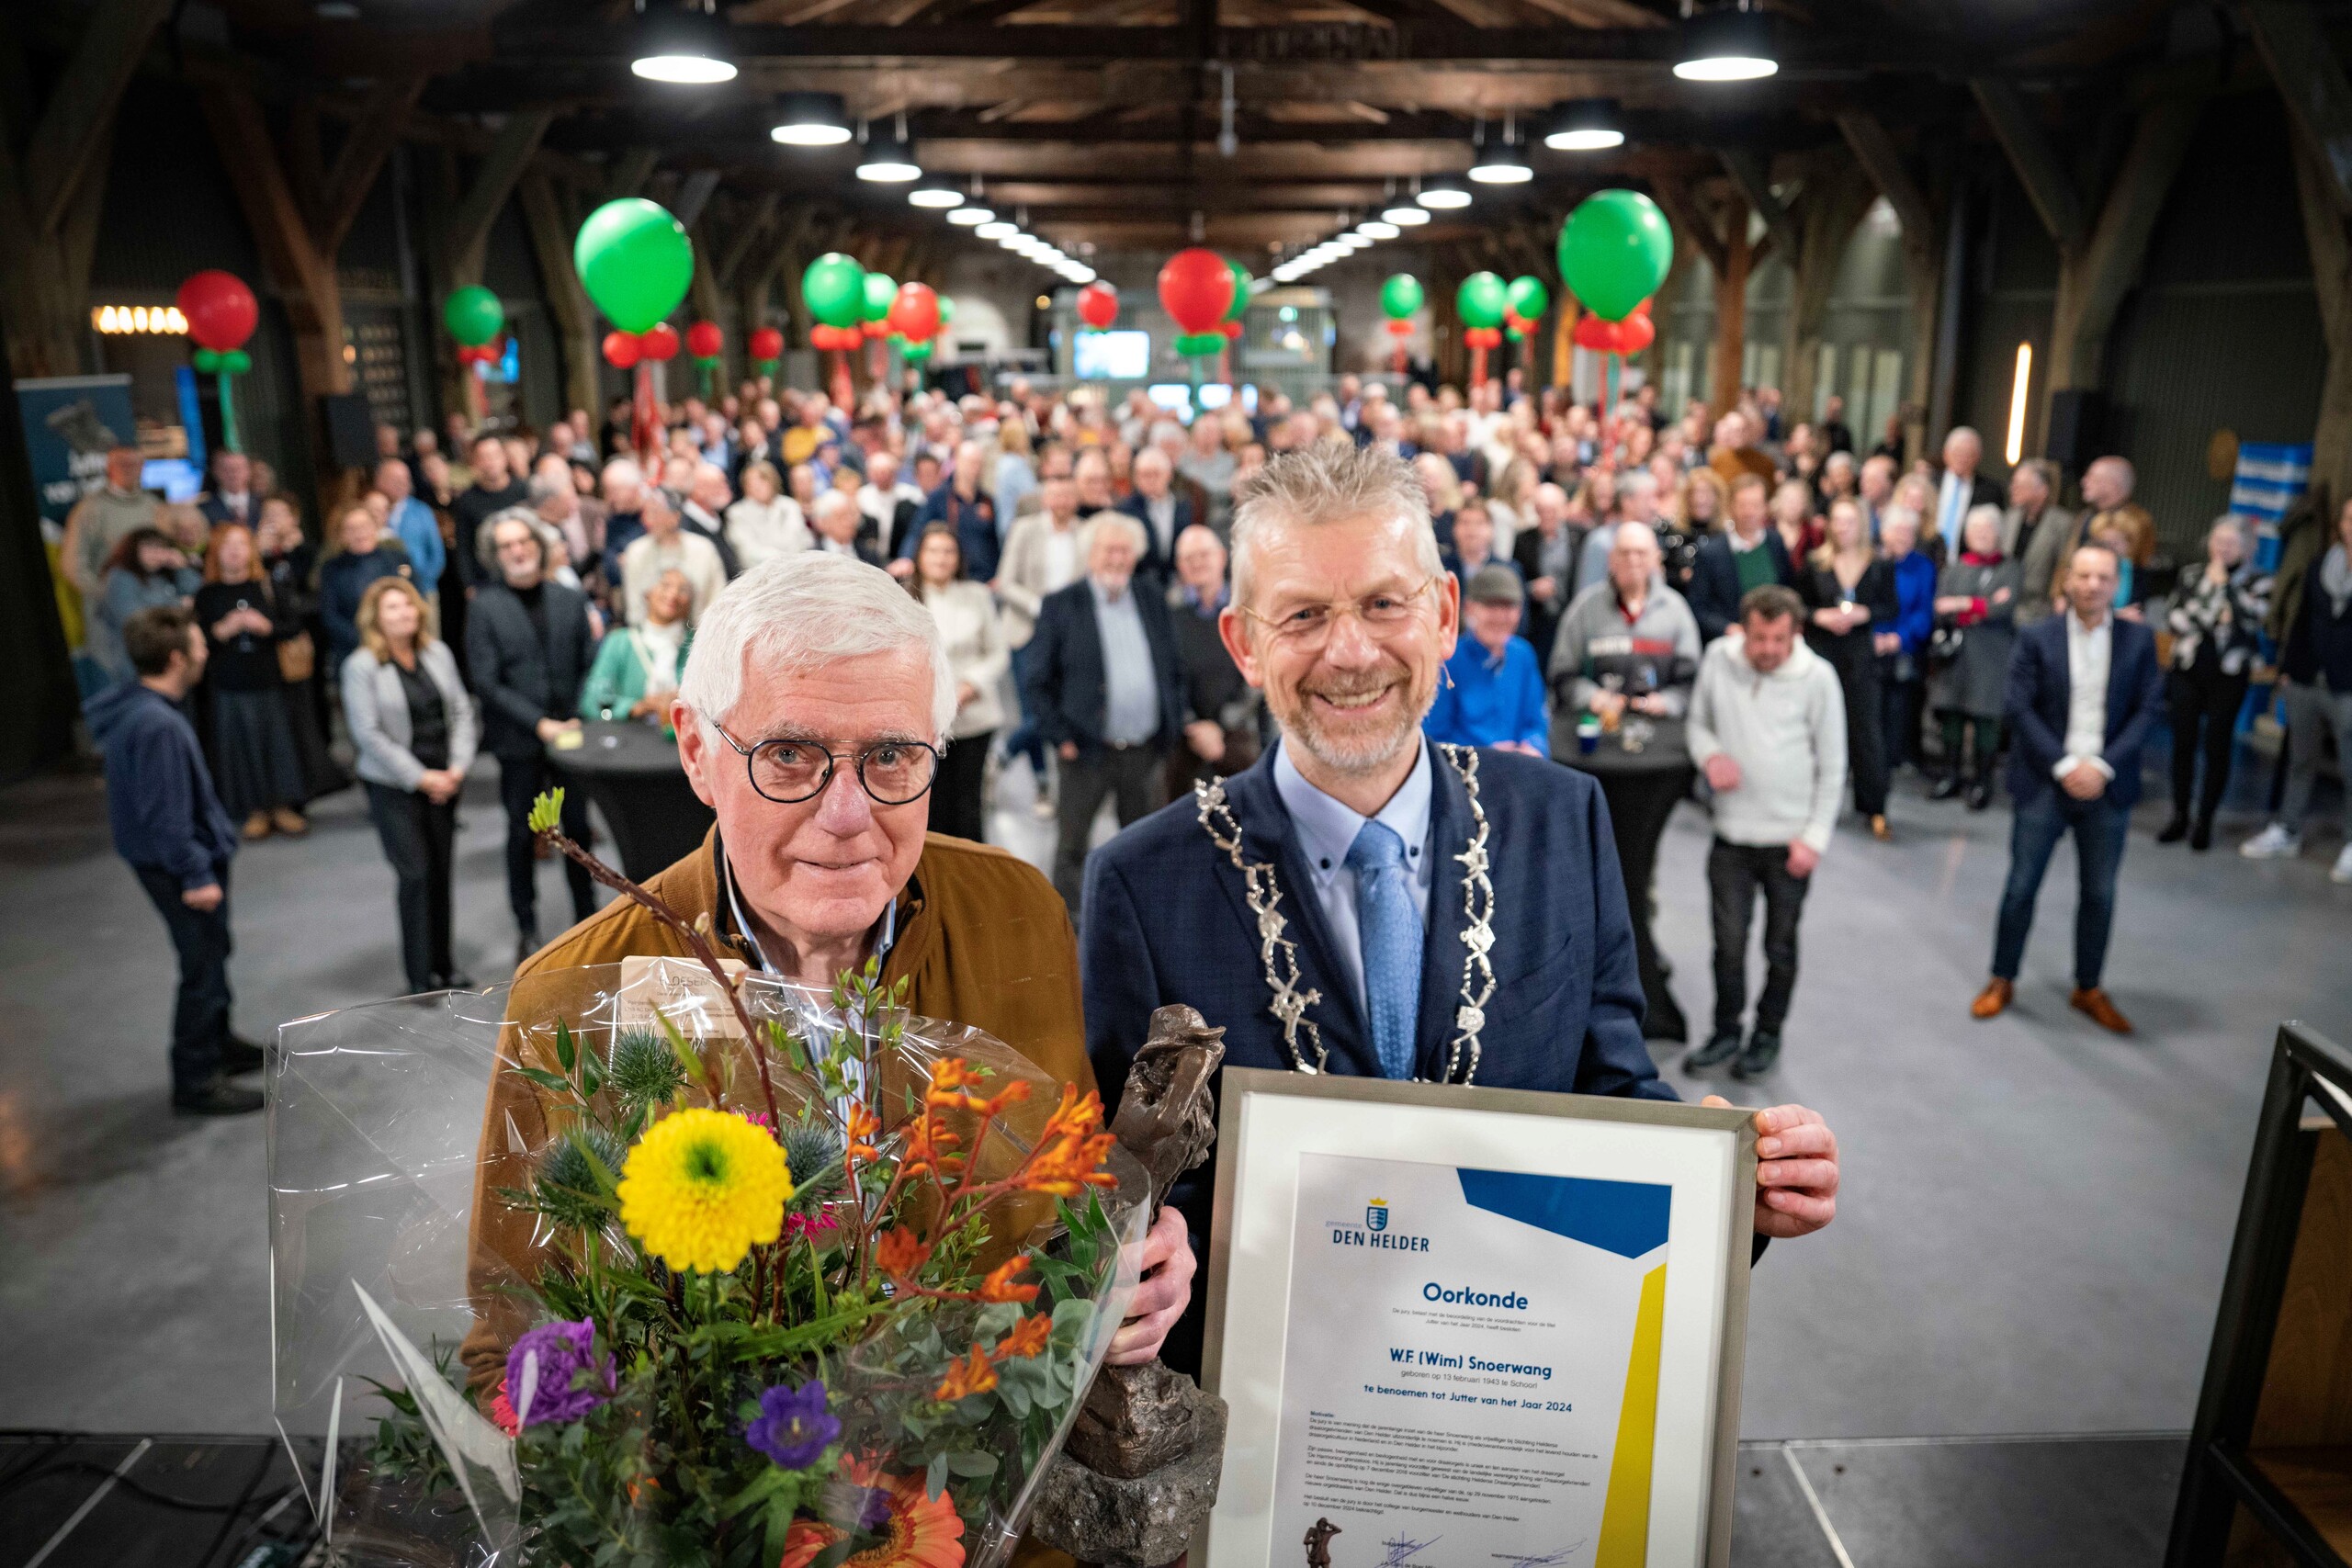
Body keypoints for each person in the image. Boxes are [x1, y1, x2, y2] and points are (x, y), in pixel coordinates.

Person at [1078, 443, 1841, 1380]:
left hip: (1517, 1401)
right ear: (1243, 643)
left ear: (1442, 614)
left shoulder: (1562, 820)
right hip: (1265, 1416)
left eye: (1383, 603)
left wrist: (1732, 1181)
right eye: (1305, 615)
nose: (1350, 651)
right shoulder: (1144, 881)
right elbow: (1124, 1187)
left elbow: (1608, 1098)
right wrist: (1145, 1266)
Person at [458, 548, 1194, 1393]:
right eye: (789, 755)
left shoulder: (1018, 915)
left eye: (891, 756)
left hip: (999, 1501)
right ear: (696, 750)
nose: (847, 815)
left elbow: (1073, 1201)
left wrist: (1140, 1269)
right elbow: (508, 1352)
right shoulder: (575, 996)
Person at [1971, 543, 2165, 1033]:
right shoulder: (2038, 636)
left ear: (2116, 583)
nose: (2093, 585)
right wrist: (2063, 765)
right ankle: (2002, 978)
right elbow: (2018, 706)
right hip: (2044, 782)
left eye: (2103, 577)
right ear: (2068, 581)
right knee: (2020, 889)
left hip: (2107, 784)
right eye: (2084, 576)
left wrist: (2100, 766)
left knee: (2099, 894)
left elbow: (2147, 710)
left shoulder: (2139, 641)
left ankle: (2088, 987)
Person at [84, 605, 264, 1115]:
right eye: (199, 645)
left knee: (212, 951)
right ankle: (197, 1078)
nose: (207, 651)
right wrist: (196, 873)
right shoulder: (158, 724)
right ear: (177, 657)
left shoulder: (139, 708)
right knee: (201, 964)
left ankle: (218, 1043)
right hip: (179, 867)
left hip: (172, 860)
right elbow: (167, 815)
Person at [1683, 585, 1848, 1077]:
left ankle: (1768, 1033)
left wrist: (1814, 838)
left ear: (1795, 633)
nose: (1769, 650)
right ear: (1743, 631)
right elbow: (1697, 724)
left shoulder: (1818, 678)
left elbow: (1834, 766)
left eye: (1779, 639)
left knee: (1780, 947)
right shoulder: (1718, 659)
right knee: (1727, 945)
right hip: (1732, 835)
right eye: (1760, 638)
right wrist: (1710, 755)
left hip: (1790, 843)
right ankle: (1726, 1030)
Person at [1549, 524, 1702, 1040]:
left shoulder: (1675, 612)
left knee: (1633, 873)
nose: (1633, 562)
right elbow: (1563, 675)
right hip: (1595, 763)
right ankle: (1619, 971)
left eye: (1642, 553)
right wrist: (1595, 697)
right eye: (1624, 553)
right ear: (1611, 559)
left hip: (1658, 765)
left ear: (1655, 560)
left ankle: (1636, 982)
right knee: (1610, 873)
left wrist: (1668, 703)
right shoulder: (1586, 609)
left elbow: (1690, 680)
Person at [1024, 513, 1184, 913]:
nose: (1117, 558)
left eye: (1124, 550)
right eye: (1108, 549)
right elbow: (1036, 681)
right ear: (1089, 554)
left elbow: (1172, 667)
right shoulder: (1062, 604)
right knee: (1073, 847)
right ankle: (1070, 928)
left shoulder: (1151, 597)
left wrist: (1173, 722)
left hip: (1144, 750)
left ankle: (1141, 917)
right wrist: (1060, 738)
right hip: (1084, 752)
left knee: (1144, 843)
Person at [468, 511, 597, 957]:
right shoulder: (484, 607)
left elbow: (589, 661)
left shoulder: (568, 597)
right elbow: (486, 681)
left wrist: (581, 713)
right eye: (507, 546)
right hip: (519, 740)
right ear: (495, 555)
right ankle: (526, 925)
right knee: (522, 834)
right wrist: (538, 723)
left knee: (578, 831)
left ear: (538, 545)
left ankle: (591, 922)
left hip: (573, 740)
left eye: (523, 541)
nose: (518, 550)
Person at [345, 575, 478, 995]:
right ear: (375, 619)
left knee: (441, 873)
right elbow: (368, 734)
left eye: (407, 605)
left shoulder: (436, 652)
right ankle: (419, 976)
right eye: (391, 608)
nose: (403, 613)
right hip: (394, 785)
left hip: (445, 778)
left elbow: (460, 710)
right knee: (416, 874)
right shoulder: (361, 666)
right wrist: (420, 778)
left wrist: (457, 767)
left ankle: (445, 964)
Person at [2241, 495, 2352, 880]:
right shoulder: (2323, 564)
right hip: (2306, 677)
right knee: (2298, 759)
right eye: (2349, 519)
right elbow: (2302, 619)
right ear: (2341, 523)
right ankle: (2287, 829)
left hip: (2347, 686)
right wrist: (2288, 669)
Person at [195, 524, 308, 840]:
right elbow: (198, 639)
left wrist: (265, 627)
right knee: (241, 750)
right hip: (230, 683)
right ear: (216, 553)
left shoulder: (266, 586)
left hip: (270, 679)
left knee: (279, 746)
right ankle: (256, 810)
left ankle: (283, 806)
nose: (234, 551)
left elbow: (294, 624)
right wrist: (222, 630)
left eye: (241, 544)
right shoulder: (207, 594)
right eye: (227, 545)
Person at [2160, 518, 2265, 850]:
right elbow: (2174, 618)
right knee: (2183, 743)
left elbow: (2252, 622)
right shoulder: (2191, 574)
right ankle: (2179, 814)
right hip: (2188, 668)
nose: (2222, 549)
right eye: (2218, 541)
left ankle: (2205, 819)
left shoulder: (2259, 581)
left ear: (2247, 549)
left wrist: (2224, 589)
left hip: (2229, 674)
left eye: (2231, 544)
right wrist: (2216, 613)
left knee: (2217, 746)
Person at [1795, 498, 1896, 839]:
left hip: (1860, 656)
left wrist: (1865, 614)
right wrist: (1818, 616)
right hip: (1823, 651)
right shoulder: (1815, 563)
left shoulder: (1879, 564)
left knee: (1865, 729)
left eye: (1849, 521)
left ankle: (1874, 806)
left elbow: (1889, 606)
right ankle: (1805, 801)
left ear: (1862, 525)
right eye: (1836, 521)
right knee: (1813, 727)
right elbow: (1798, 604)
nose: (1842, 528)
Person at [910, 525, 1008, 842]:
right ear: (920, 556)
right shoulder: (904, 596)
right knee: (931, 807)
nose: (941, 558)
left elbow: (998, 652)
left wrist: (968, 687)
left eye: (948, 551)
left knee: (969, 808)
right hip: (923, 720)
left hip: (973, 717)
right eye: (933, 551)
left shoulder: (977, 595)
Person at [1928, 505, 2020, 810]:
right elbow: (1941, 606)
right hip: (1956, 653)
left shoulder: (2009, 568)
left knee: (1986, 718)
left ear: (1998, 534)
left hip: (1992, 654)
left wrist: (1963, 603)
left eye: (1987, 530)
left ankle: (1983, 781)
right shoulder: (1955, 569)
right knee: (1951, 713)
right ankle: (1951, 775)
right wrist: (1981, 605)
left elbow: (2003, 608)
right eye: (1975, 530)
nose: (1981, 536)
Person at [1163, 524, 1256, 795]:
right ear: (1179, 565)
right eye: (1188, 558)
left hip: (1238, 732)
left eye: (1204, 555)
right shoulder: (1168, 613)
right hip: (1184, 738)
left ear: (1222, 558)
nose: (1197, 563)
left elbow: (1258, 671)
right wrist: (1193, 725)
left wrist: (1222, 725)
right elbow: (1165, 675)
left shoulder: (1246, 610)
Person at [1425, 566, 1547, 754]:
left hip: (1519, 769)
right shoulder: (1448, 660)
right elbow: (1434, 736)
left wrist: (1532, 746)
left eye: (1508, 607)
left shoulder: (1523, 655)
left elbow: (1537, 723)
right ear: (1468, 608)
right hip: (1466, 773)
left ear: (1520, 611)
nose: (1499, 617)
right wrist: (1485, 754)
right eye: (1490, 606)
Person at [580, 568, 695, 722]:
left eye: (683, 590)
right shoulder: (621, 641)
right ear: (648, 593)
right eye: (665, 586)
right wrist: (636, 707)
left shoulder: (697, 646)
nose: (673, 594)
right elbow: (591, 702)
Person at [1689, 472, 1792, 642]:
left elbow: (1788, 591)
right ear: (1731, 507)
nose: (1749, 512)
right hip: (1732, 642)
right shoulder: (1711, 552)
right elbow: (1698, 607)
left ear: (1766, 508)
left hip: (1774, 639)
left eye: (1755, 505)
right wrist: (1727, 628)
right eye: (1743, 505)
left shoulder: (1775, 542)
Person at [90, 527, 198, 686]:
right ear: (133, 550)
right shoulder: (120, 577)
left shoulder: (162, 576)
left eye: (161, 548)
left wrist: (181, 566)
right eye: (149, 547)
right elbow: (133, 620)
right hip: (132, 664)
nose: (156, 553)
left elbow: (197, 590)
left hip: (167, 660)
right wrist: (178, 606)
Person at [319, 501, 413, 674]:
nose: (359, 533)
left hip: (402, 648)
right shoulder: (332, 569)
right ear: (341, 534)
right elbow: (330, 616)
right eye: (351, 529)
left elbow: (415, 599)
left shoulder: (398, 559)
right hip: (356, 651)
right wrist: (369, 641)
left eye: (364, 525)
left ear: (375, 526)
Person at [1877, 507, 1938, 775]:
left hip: (1905, 647)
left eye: (1908, 532)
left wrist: (1898, 638)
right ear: (1884, 532)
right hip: (1871, 642)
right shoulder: (1872, 560)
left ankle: (1891, 762)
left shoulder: (1923, 567)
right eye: (1897, 530)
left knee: (1899, 708)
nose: (1902, 537)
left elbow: (1925, 612)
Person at [60, 446, 159, 604]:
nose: (129, 469)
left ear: (142, 467)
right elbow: (72, 564)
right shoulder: (90, 508)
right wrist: (104, 594)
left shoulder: (153, 505)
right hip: (109, 610)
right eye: (122, 464)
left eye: (135, 464)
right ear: (110, 468)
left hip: (151, 602)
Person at [618, 487, 727, 626]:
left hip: (697, 632)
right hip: (650, 637)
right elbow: (634, 610)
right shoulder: (637, 552)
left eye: (655, 512)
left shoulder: (703, 549)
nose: (647, 520)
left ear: (675, 517)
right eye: (645, 513)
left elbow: (718, 598)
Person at [1511, 481, 1581, 663]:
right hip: (1539, 623)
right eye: (1541, 510)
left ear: (1563, 509)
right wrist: (1531, 589)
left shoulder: (1581, 537)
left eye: (1552, 510)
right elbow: (1515, 582)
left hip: (1572, 617)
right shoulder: (1523, 540)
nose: (1547, 515)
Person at [2002, 457, 2075, 628]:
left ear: (2042, 491)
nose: (2013, 489)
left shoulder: (2062, 523)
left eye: (2020, 485)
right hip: (2006, 604)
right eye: (2013, 484)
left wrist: (2061, 597)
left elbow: (2064, 566)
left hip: (2040, 609)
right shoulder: (2010, 517)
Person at [914, 440, 1001, 581]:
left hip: (985, 579)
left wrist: (998, 574)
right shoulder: (939, 497)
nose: (975, 468)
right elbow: (918, 531)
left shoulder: (987, 500)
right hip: (952, 578)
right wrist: (907, 558)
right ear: (957, 462)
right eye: (970, 462)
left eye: (978, 463)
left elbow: (994, 542)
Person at [375, 457, 447, 600]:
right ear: (379, 481)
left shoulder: (422, 511)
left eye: (405, 478)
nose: (402, 483)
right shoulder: (373, 511)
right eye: (395, 478)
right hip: (384, 595)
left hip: (422, 591)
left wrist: (423, 582)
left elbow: (437, 554)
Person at [1119, 446, 1195, 575]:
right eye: (1145, 475)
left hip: (1178, 577)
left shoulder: (1184, 505)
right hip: (1141, 578)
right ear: (1136, 478)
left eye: (1156, 473)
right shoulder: (1125, 510)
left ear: (1169, 475)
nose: (1151, 480)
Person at [1929, 426, 2002, 548]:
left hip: (1968, 562)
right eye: (1957, 452)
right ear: (1945, 454)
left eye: (1968, 454)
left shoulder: (1990, 491)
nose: (1962, 458)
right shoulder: (1930, 482)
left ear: (1978, 457)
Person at [197, 449, 258, 529]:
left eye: (238, 468)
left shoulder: (263, 504)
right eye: (227, 469)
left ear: (249, 471)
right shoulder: (204, 510)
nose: (233, 473)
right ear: (215, 472)